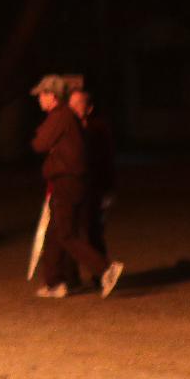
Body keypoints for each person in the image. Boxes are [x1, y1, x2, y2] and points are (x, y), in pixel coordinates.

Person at [30, 75, 122, 298]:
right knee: (55, 234)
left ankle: (105, 269)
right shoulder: (67, 117)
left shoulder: (60, 116)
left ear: (52, 96)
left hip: (67, 183)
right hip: (72, 183)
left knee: (66, 234)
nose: (39, 99)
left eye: (41, 95)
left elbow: (39, 143)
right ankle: (57, 282)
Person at [70, 87, 117, 259]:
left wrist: (108, 190)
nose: (73, 107)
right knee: (69, 233)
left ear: (89, 108)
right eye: (71, 103)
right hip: (74, 188)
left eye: (78, 103)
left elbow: (105, 160)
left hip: (94, 189)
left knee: (93, 231)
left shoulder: (97, 129)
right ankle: (72, 278)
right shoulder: (67, 128)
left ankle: (101, 274)